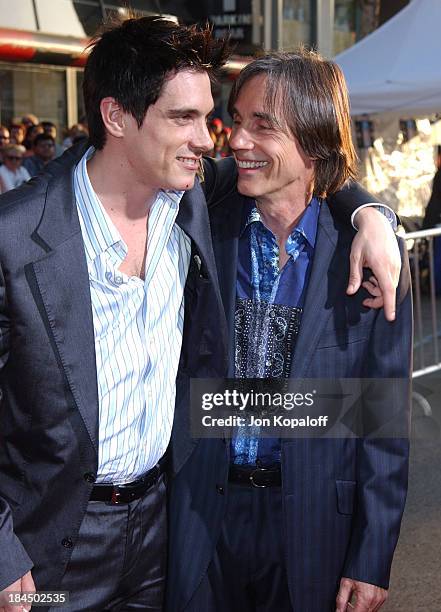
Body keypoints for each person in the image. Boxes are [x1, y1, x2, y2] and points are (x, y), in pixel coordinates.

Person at [0, 16, 400, 612]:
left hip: (166, 530)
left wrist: (373, 213)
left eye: (211, 116)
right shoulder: (20, 234)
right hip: (56, 556)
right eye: (185, 118)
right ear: (116, 117)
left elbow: (304, 161)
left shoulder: (188, 200)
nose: (215, 139)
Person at [166, 50, 412, 612]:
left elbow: (382, 421)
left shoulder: (370, 259)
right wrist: (372, 207)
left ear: (316, 138)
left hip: (314, 526)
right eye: (238, 118)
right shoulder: (203, 214)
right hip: (205, 516)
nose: (237, 139)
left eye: (263, 125)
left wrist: (372, 556)